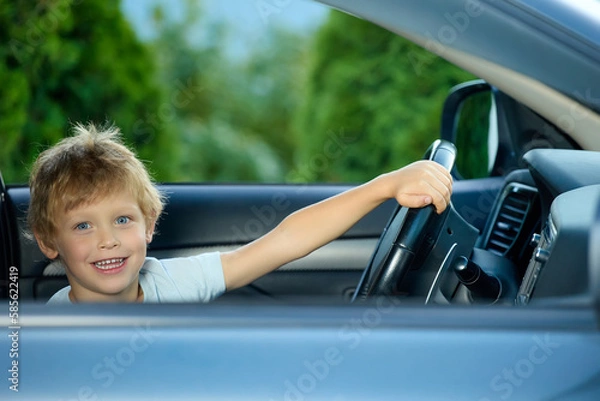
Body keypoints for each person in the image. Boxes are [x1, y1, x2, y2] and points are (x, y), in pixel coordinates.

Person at [30, 123, 452, 304]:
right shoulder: (49, 331)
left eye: (123, 220)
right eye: (83, 225)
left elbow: (283, 241)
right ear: (49, 241)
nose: (108, 239)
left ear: (149, 225)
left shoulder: (168, 283)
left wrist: (384, 187)